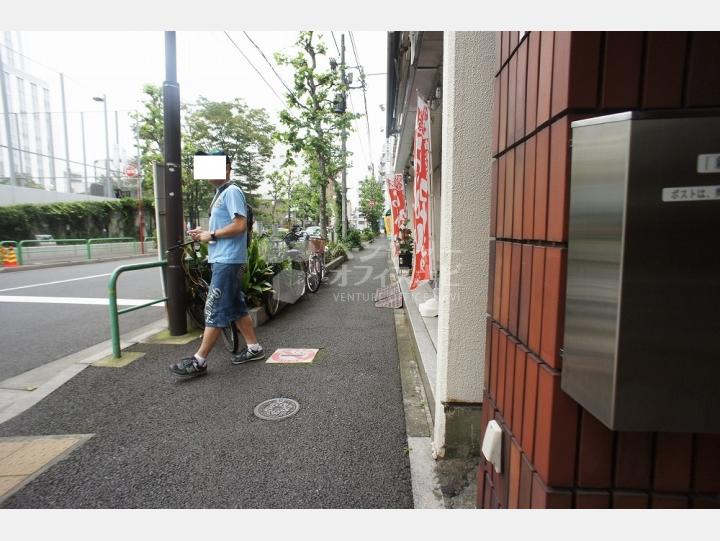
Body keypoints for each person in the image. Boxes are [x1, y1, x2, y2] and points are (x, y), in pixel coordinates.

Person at [169, 150, 265, 376]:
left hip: (227, 260)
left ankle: (199, 361)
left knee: (214, 308)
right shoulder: (220, 193)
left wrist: (210, 236)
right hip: (224, 258)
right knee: (236, 306)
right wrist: (205, 232)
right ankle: (254, 348)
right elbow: (228, 227)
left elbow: (240, 226)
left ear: (227, 166)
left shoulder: (231, 192)